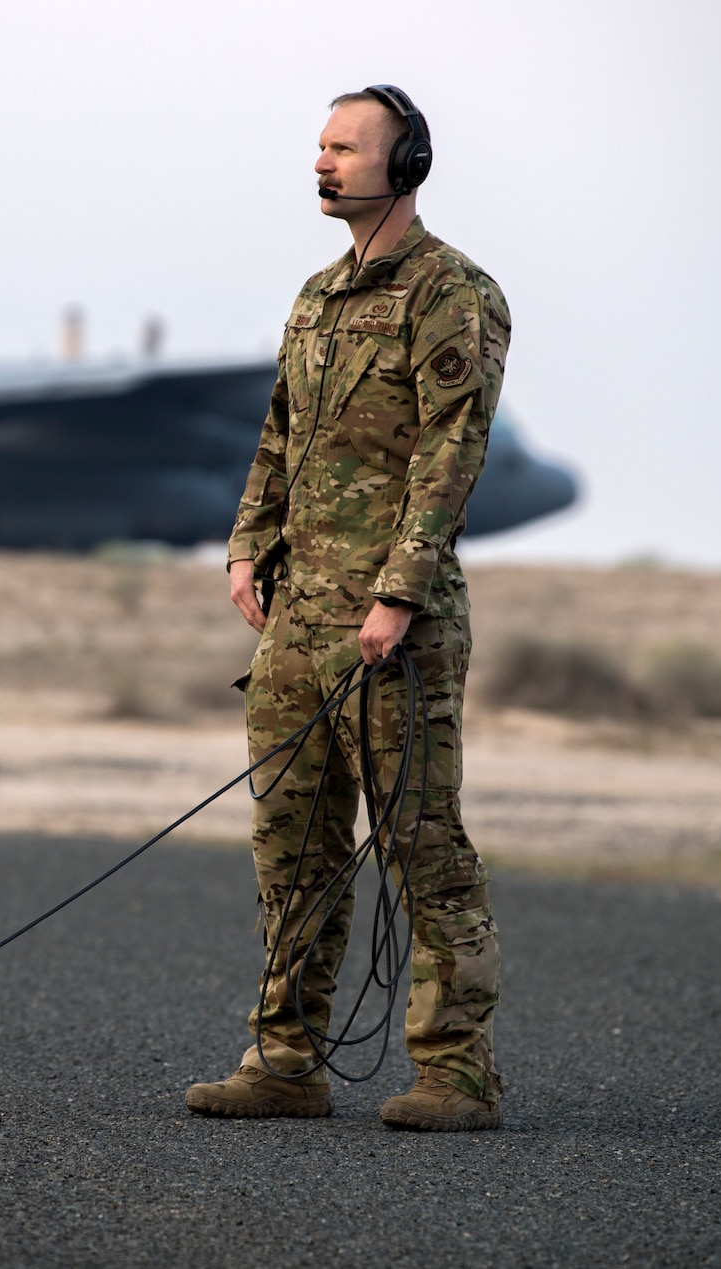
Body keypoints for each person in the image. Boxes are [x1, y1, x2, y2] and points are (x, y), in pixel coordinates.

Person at [184, 86, 510, 1131]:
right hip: (297, 621)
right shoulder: (316, 296)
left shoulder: (450, 294)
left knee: (420, 847)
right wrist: (248, 542)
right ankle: (285, 1060)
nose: (321, 163)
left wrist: (397, 594)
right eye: (317, 147)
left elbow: (449, 453)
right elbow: (279, 433)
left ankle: (455, 1072)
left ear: (402, 162)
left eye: (343, 148)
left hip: (392, 628)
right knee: (292, 846)